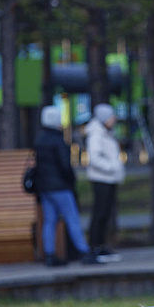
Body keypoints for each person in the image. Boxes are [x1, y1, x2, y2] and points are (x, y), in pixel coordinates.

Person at [35, 105, 100, 266]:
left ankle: (49, 255)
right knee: (72, 218)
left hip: (45, 188)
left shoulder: (40, 140)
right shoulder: (58, 140)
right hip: (60, 187)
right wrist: (71, 181)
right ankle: (83, 251)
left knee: (49, 221)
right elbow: (65, 165)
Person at [84, 103, 125, 263]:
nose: (114, 119)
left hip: (109, 178)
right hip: (101, 178)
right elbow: (94, 158)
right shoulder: (96, 135)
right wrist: (112, 167)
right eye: (111, 116)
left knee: (105, 213)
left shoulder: (106, 133)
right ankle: (95, 246)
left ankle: (101, 245)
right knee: (100, 213)